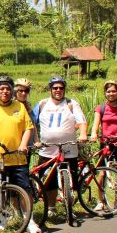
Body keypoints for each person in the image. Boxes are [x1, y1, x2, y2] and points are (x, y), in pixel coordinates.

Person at [0, 75, 39, 233]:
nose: (5, 91)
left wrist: (24, 144)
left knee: (24, 189)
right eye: (1, 88)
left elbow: (28, 128)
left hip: (17, 157)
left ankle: (29, 220)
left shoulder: (19, 106)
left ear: (12, 91)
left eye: (8, 89)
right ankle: (2, 219)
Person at [31, 76, 88, 215]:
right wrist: (35, 140)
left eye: (61, 88)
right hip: (47, 149)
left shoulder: (71, 103)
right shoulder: (43, 104)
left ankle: (70, 206)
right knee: (49, 181)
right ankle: (51, 207)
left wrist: (83, 134)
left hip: (68, 148)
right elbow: (31, 123)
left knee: (72, 179)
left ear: (64, 89)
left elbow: (82, 121)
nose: (58, 90)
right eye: (55, 88)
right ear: (50, 89)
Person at [90, 80, 117, 166]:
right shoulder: (100, 108)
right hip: (105, 144)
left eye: (114, 91)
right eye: (108, 91)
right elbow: (95, 125)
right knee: (103, 172)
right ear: (105, 93)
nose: (111, 94)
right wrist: (93, 134)